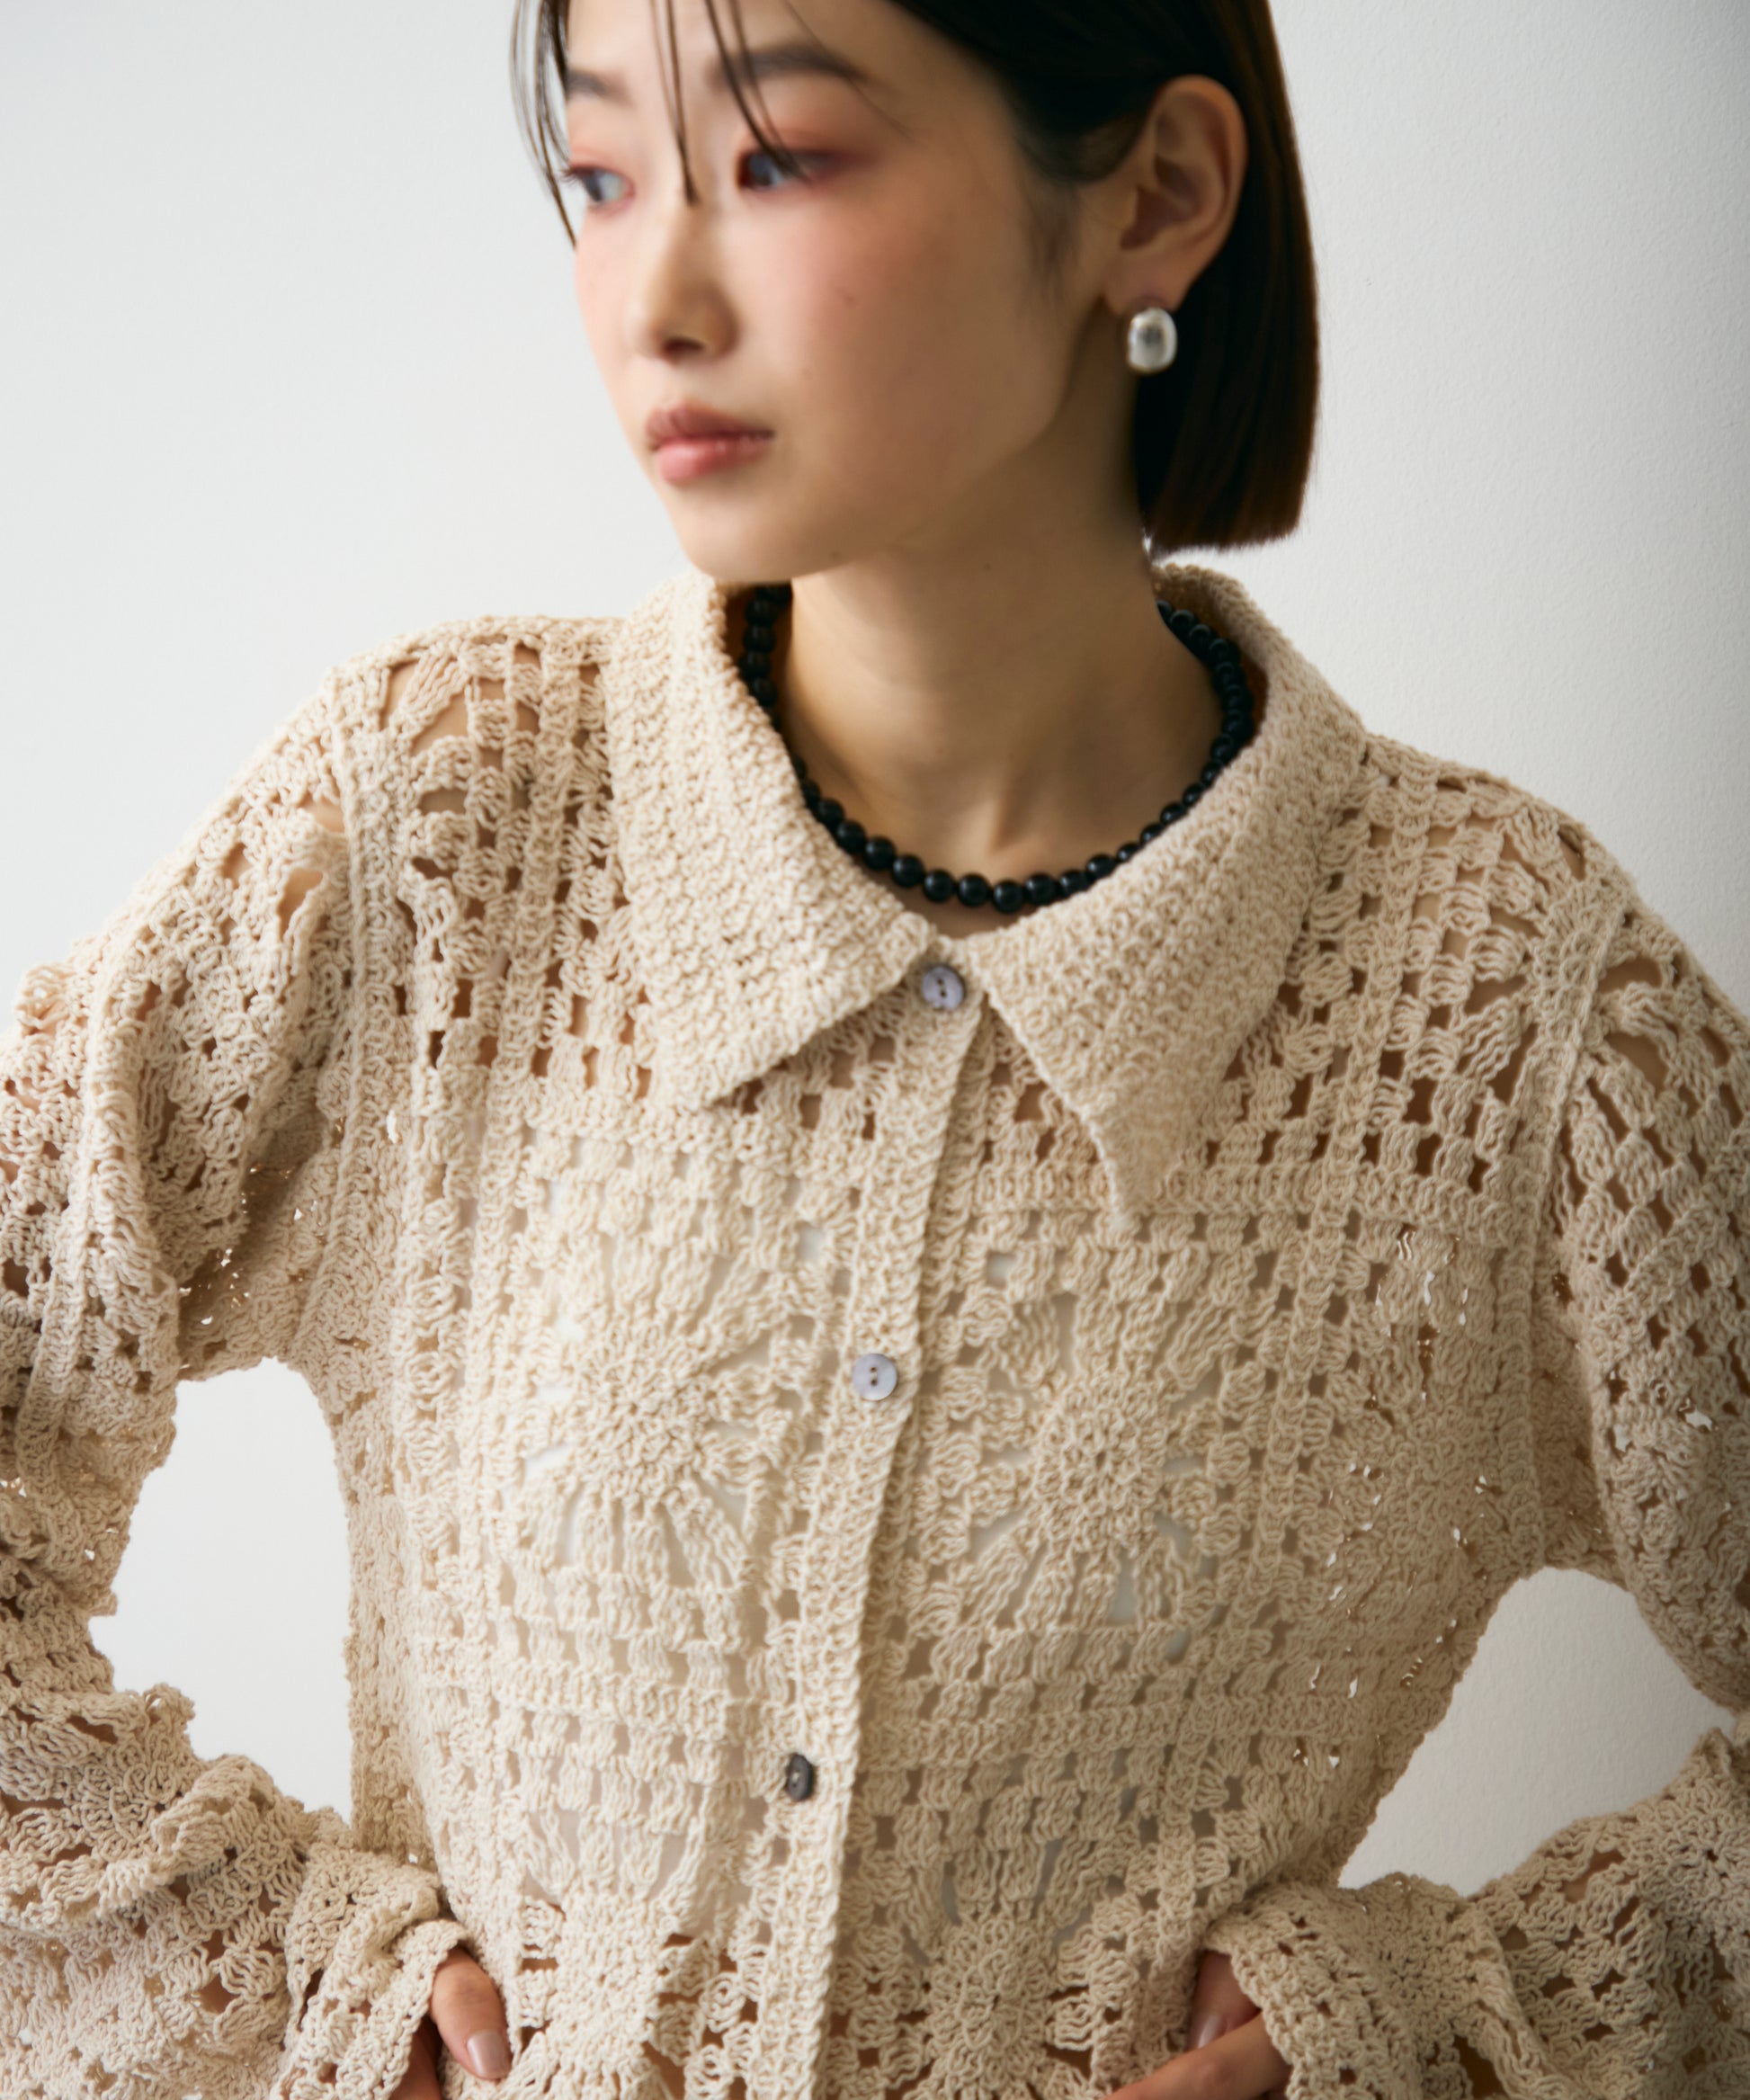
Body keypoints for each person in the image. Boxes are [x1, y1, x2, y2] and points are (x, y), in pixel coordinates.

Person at [3, 1, 1746, 2096]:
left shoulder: (1501, 1010)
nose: (651, 296)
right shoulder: (437, 839)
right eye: (600, 175)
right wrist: (284, 1987)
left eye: (779, 160)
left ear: (1156, 196)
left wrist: (1443, 2028)